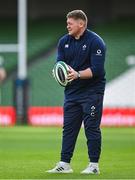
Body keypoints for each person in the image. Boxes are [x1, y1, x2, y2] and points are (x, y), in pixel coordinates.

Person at [47, 10, 106, 174]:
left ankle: (94, 166)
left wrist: (78, 74)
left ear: (81, 24)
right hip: (72, 93)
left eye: (70, 23)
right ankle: (64, 164)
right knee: (69, 129)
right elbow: (59, 63)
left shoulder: (96, 42)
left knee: (91, 128)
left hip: (92, 92)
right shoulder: (63, 41)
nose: (67, 26)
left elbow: (97, 70)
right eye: (67, 23)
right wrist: (58, 72)